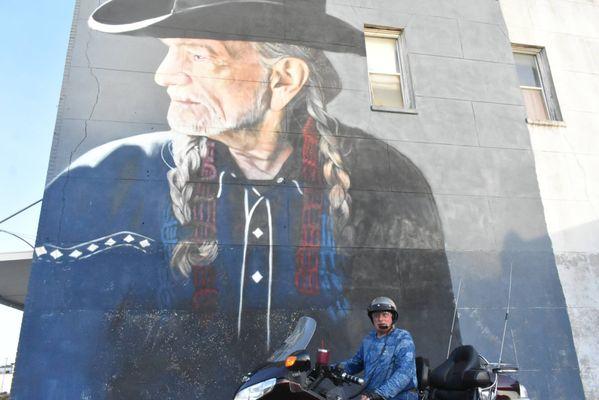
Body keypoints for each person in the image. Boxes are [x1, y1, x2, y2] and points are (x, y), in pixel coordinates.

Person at [13, 1, 458, 399]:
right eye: (170, 50)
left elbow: (425, 350)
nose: (164, 74)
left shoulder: (392, 182)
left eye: (199, 54)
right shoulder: (105, 180)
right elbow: (66, 366)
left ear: (284, 79)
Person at [338, 297, 418, 400]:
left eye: (385, 315)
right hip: (372, 397)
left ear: (393, 318)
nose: (380, 319)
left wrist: (379, 394)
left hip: (400, 397)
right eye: (376, 316)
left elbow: (405, 372)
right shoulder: (369, 339)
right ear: (372, 319)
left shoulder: (402, 338)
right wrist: (333, 368)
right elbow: (355, 363)